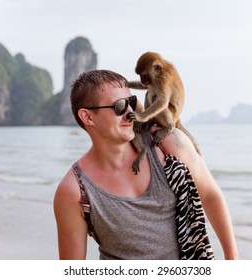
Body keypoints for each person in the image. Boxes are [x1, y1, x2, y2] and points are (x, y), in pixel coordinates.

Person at [53, 69, 238, 260]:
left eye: (131, 103)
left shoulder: (169, 145)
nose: (130, 112)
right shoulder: (74, 190)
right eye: (120, 106)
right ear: (88, 117)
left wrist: (232, 259)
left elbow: (211, 195)